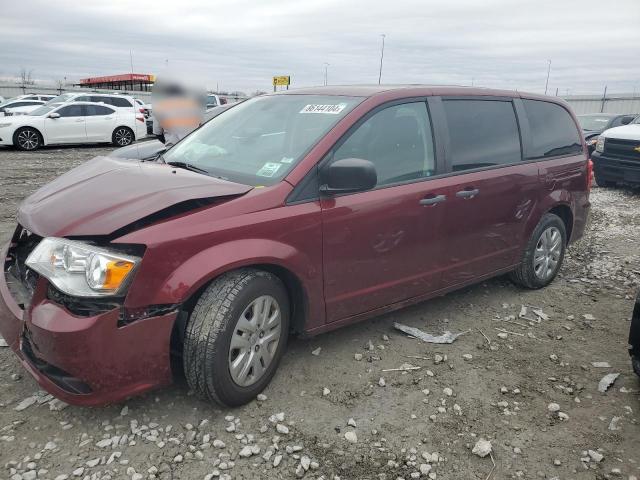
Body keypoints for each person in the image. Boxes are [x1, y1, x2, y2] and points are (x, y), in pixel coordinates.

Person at [151, 78, 205, 147]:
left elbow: (158, 133)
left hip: (173, 150)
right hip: (194, 148)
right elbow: (203, 128)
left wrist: (170, 143)